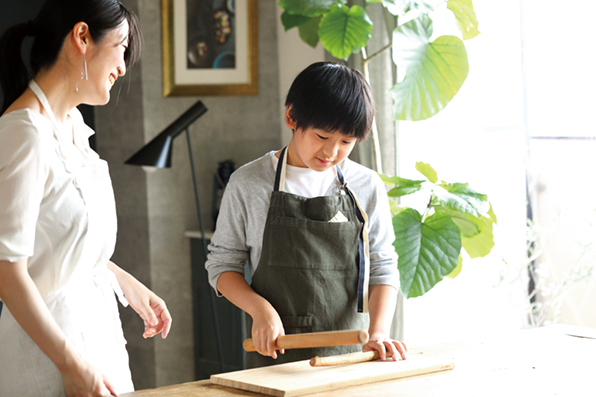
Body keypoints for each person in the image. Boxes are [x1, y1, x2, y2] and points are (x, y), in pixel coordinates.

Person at [0, 1, 172, 396]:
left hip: (97, 338)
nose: (124, 67)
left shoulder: (73, 125)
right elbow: (8, 272)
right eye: (121, 47)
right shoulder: (24, 133)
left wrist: (126, 283)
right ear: (81, 37)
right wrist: (71, 364)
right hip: (50, 355)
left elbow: (59, 243)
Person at [205, 62, 407, 368]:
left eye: (346, 142)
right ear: (291, 117)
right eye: (322, 136)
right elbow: (222, 266)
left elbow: (382, 265)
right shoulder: (248, 183)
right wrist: (261, 311)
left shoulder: (367, 185)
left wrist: (378, 333)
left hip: (353, 357)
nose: (332, 151)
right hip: (278, 359)